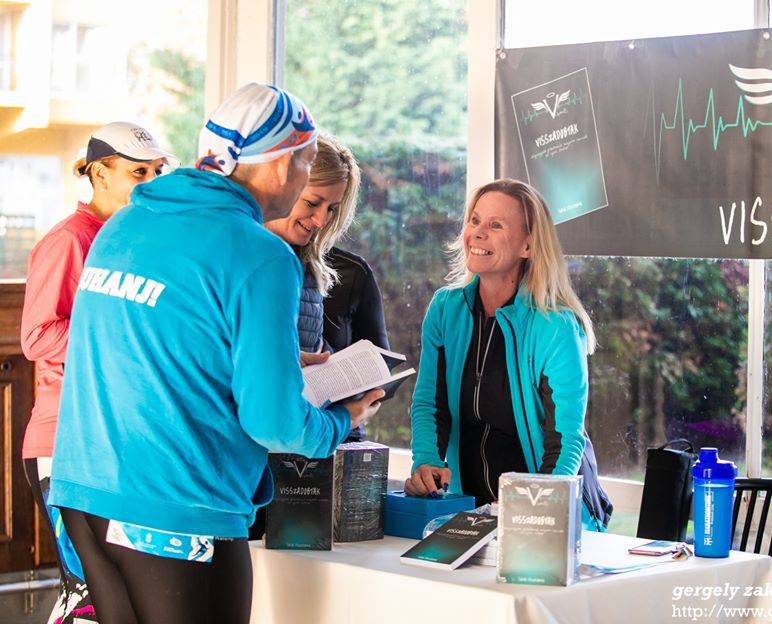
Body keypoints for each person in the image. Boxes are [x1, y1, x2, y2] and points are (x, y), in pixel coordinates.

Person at [47, 83, 383, 624]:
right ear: (284, 164)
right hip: (176, 506)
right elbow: (275, 424)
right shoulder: (260, 254)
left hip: (85, 493)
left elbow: (149, 347)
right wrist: (342, 419)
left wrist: (274, 359)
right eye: (305, 166)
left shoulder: (124, 225)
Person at [20, 121, 177, 624]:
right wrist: (122, 335)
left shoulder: (131, 239)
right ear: (100, 174)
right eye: (138, 172)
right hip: (64, 443)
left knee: (116, 600)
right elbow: (37, 336)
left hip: (112, 442)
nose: (151, 182)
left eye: (158, 171)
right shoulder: (70, 240)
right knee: (86, 597)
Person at [404, 178, 613, 531]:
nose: (478, 232)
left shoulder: (556, 326)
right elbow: (430, 404)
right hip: (472, 511)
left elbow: (564, 441)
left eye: (496, 225)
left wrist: (535, 506)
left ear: (527, 245)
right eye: (474, 220)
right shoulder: (445, 309)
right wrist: (426, 461)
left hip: (550, 514)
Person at [263, 133, 388, 443]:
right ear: (283, 186)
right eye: (312, 202)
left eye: (332, 208)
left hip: (304, 436)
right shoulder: (242, 260)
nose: (321, 219)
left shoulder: (312, 269)